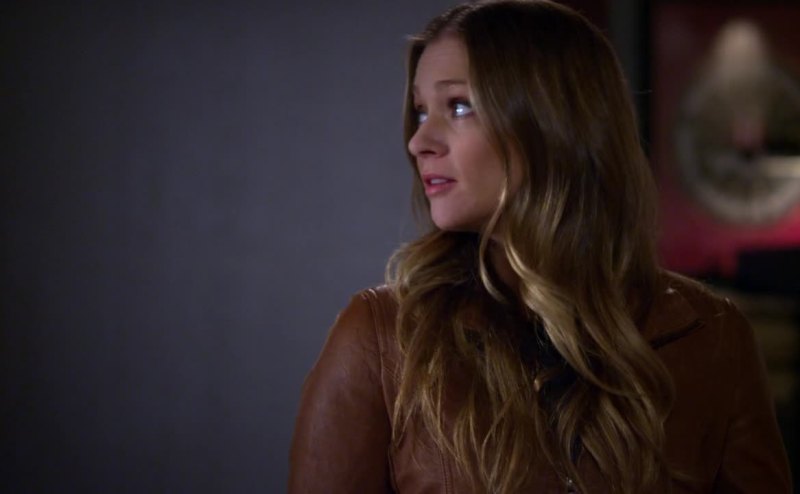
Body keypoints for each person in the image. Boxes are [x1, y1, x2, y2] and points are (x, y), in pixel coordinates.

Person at [289, 1, 792, 492]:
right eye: (421, 112)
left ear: (552, 123)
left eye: (458, 106)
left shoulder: (712, 336)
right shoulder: (382, 340)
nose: (419, 141)